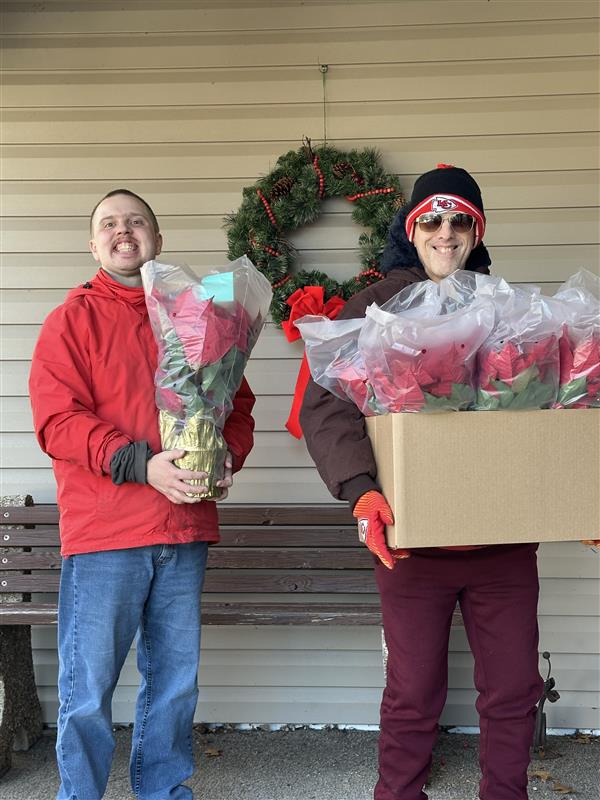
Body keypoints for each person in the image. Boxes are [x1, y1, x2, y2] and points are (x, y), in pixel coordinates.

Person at [300, 165, 545, 800]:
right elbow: (325, 406)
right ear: (412, 228)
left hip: (503, 541)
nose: (445, 231)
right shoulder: (375, 308)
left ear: (476, 231)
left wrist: (577, 500)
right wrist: (362, 489)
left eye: (459, 220)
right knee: (412, 690)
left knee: (515, 687)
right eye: (431, 219)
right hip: (410, 538)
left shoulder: (510, 311)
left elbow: (557, 410)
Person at [29, 189, 256, 800]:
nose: (123, 232)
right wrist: (139, 463)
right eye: (109, 224)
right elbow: (57, 421)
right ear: (93, 243)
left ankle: (164, 792)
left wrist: (227, 455)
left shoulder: (200, 312)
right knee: (88, 690)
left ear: (157, 238)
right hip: (106, 534)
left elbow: (237, 402)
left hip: (183, 530)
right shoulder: (71, 320)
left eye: (136, 222)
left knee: (175, 684)